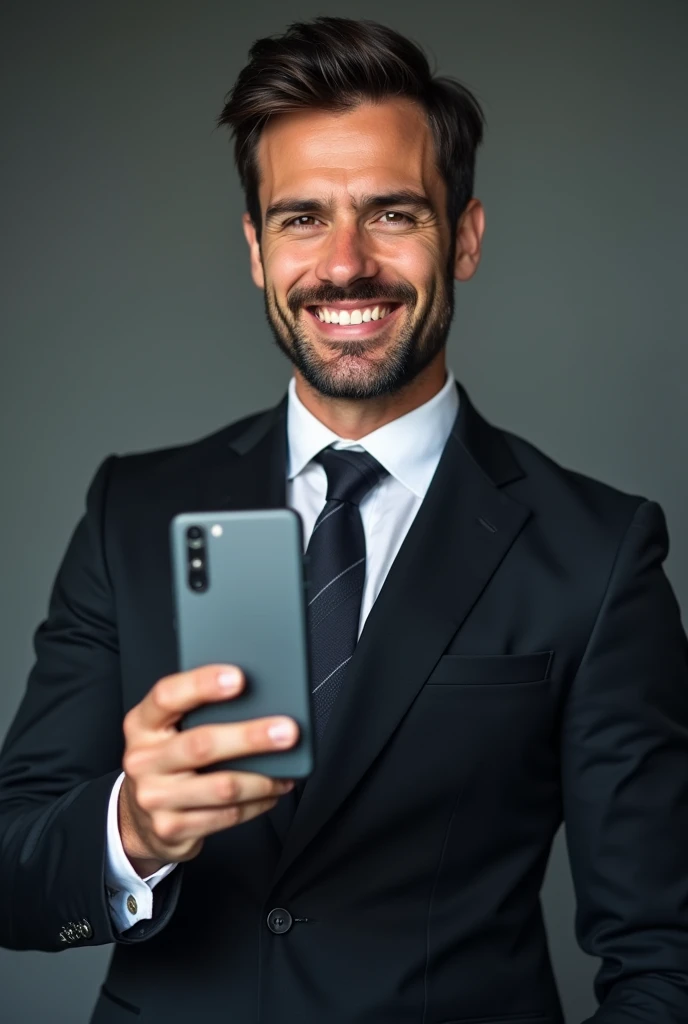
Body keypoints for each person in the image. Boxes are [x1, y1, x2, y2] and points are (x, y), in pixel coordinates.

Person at [1, 15, 687, 1024]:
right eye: (301, 219)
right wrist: (129, 830)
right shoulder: (133, 512)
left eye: (393, 214)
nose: (344, 264)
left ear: (464, 237)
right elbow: (16, 883)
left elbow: (663, 958)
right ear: (254, 249)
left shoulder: (596, 551)